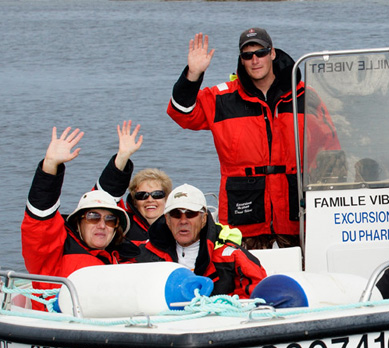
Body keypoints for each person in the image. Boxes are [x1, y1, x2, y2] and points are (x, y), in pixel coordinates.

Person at [168, 28, 338, 250]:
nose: (255, 60)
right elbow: (182, 113)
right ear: (241, 59)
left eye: (261, 52)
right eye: (248, 55)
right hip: (242, 216)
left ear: (273, 53)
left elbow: (332, 149)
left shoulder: (306, 96)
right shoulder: (222, 99)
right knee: (245, 280)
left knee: (304, 276)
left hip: (297, 213)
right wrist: (193, 74)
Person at [21, 127, 139, 309]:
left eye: (110, 220)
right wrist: (50, 166)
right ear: (78, 222)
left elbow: (106, 195)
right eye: (93, 217)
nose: (102, 225)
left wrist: (122, 158)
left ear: (116, 228)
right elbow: (39, 220)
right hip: (58, 331)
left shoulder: (121, 258)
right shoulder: (53, 255)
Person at [136, 184, 267, 298]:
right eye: (176, 214)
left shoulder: (231, 256)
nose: (183, 221)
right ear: (167, 220)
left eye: (190, 214)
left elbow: (259, 291)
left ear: (204, 219)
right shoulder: (144, 254)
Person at [95, 120, 172, 244]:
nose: (150, 200)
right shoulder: (123, 226)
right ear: (134, 202)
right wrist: (122, 156)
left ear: (167, 198)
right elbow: (103, 199)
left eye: (157, 194)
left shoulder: (177, 227)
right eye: (142, 195)